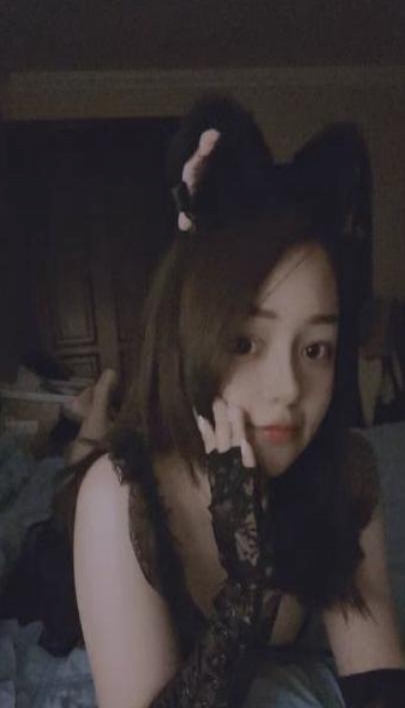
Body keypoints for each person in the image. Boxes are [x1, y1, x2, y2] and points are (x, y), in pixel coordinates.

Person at [73, 97, 405, 707]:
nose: (289, 388)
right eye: (246, 343)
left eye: (316, 349)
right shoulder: (119, 499)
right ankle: (94, 413)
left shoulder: (343, 470)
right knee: (80, 468)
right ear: (191, 336)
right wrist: (246, 590)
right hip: (65, 552)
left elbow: (379, 680)